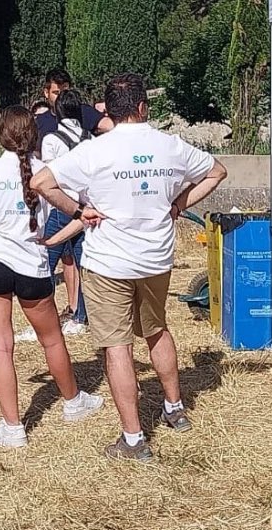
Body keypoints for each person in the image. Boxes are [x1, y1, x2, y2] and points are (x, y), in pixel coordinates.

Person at [32, 72, 227, 461]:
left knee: (116, 345)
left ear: (108, 110)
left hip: (108, 263)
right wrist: (178, 205)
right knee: (156, 329)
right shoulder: (169, 145)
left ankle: (134, 438)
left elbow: (41, 182)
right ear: (142, 107)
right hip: (156, 257)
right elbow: (217, 171)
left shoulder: (95, 150)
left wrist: (78, 210)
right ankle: (174, 408)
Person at [0, 107, 103, 448]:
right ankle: (73, 402)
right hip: (33, 264)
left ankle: (12, 427)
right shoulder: (47, 172)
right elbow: (85, 212)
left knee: (1, 345)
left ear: (1, 135)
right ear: (34, 135)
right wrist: (54, 239)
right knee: (52, 340)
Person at [40, 89, 91, 336]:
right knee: (85, 265)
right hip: (86, 209)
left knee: (45, 263)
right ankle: (81, 316)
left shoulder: (51, 140)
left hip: (62, 209)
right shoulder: (90, 139)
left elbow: (52, 178)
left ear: (57, 112)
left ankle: (45, 317)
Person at [34, 69, 112, 147]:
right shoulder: (39, 123)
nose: (61, 96)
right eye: (56, 93)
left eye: (65, 92)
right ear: (46, 93)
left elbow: (111, 126)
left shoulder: (85, 112)